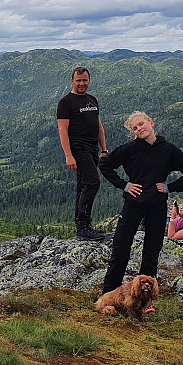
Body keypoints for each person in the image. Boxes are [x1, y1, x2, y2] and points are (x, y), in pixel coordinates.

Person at [99, 111, 183, 294]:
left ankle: (144, 297)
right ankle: (109, 294)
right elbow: (104, 164)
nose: (139, 129)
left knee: (152, 251)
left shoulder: (168, 150)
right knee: (120, 249)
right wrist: (124, 185)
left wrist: (170, 187)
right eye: (134, 128)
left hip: (157, 206)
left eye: (141, 124)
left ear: (151, 123)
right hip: (133, 204)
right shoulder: (129, 149)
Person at [57, 66, 109, 241]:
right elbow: (62, 131)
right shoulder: (66, 102)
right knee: (93, 183)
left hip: (93, 149)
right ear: (72, 81)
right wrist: (69, 155)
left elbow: (99, 126)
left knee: (83, 186)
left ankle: (81, 226)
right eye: (78, 80)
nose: (81, 83)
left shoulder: (92, 100)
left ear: (89, 81)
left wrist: (104, 149)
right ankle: (84, 225)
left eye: (84, 80)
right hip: (78, 149)